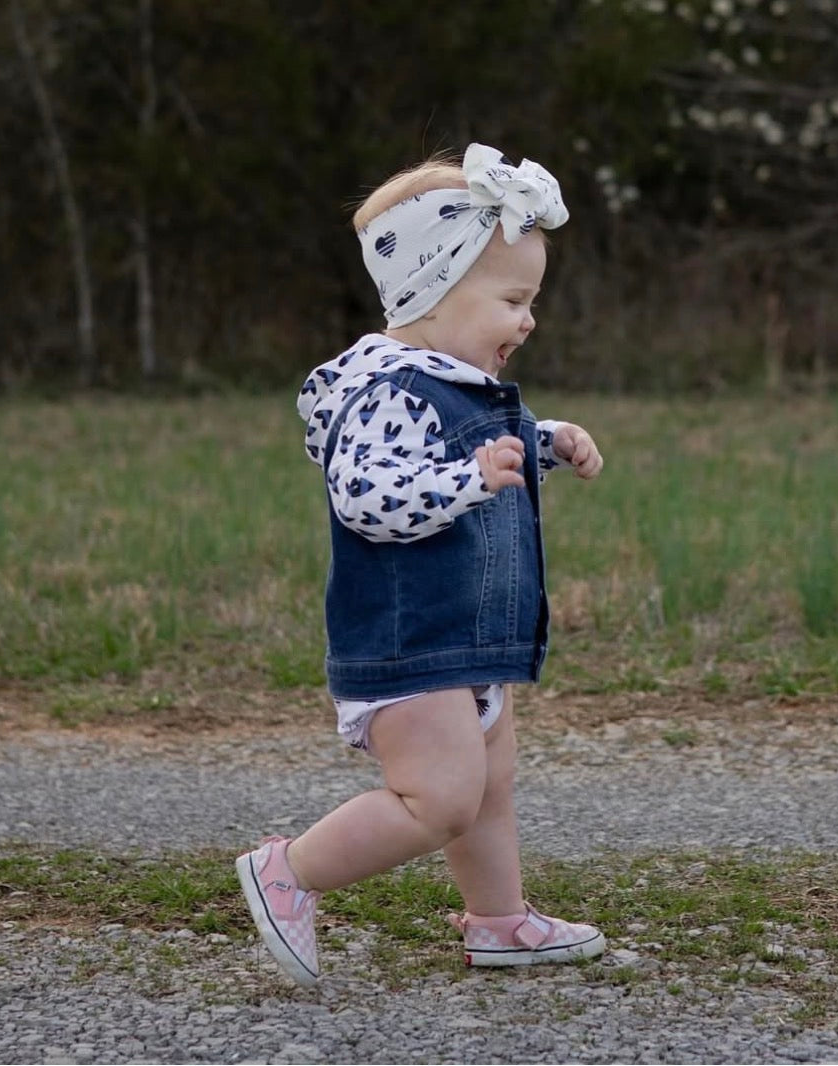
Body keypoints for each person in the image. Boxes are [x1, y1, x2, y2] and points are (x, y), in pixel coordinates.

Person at [237, 143, 606, 987]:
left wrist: (547, 442)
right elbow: (366, 497)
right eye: (512, 300)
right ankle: (290, 870)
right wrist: (467, 480)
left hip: (467, 635)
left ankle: (499, 920)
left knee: (490, 787)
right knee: (439, 800)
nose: (529, 321)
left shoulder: (455, 381)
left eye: (532, 301)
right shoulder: (387, 391)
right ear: (434, 290)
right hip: (409, 641)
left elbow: (492, 447)